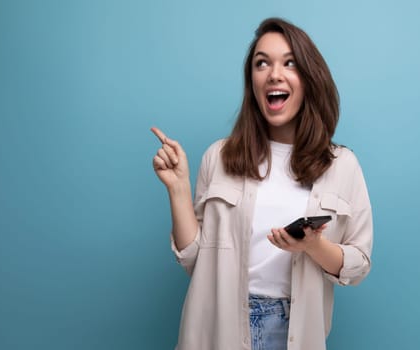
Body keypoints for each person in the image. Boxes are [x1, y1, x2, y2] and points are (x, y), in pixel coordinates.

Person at [151, 17, 373, 350]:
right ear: (252, 82)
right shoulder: (220, 156)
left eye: (290, 63)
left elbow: (357, 266)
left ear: (309, 79)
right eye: (261, 63)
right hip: (219, 328)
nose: (274, 74)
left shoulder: (342, 165)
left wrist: (312, 246)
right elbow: (195, 261)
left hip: (293, 332)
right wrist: (178, 187)